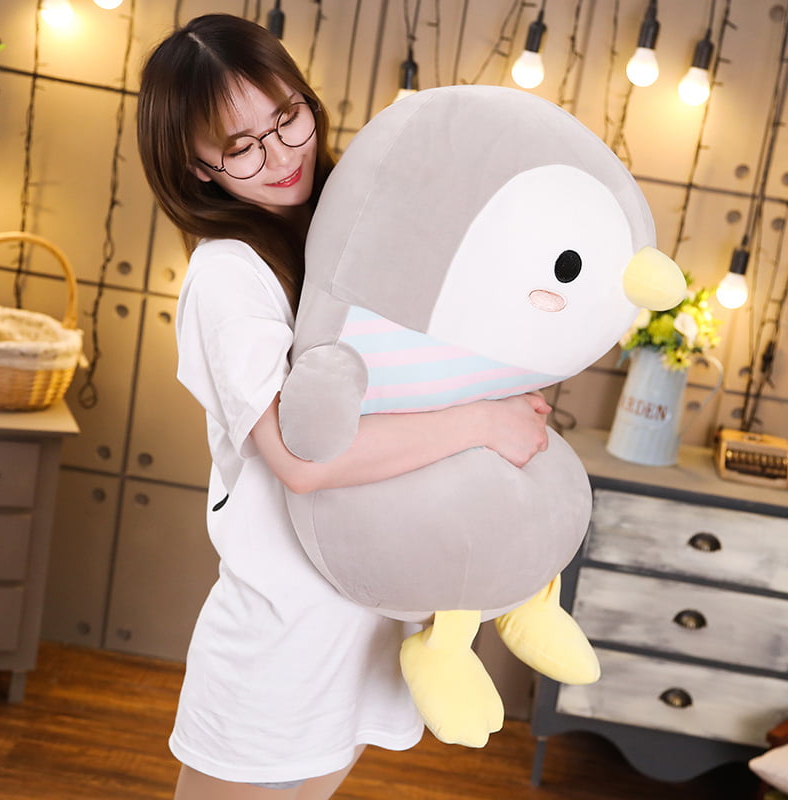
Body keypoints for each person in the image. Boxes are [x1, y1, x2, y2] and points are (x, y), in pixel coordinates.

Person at [137, 13, 551, 800]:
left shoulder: (353, 230)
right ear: (195, 167)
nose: (281, 155)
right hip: (284, 641)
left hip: (372, 624)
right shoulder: (229, 276)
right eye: (240, 146)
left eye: (287, 117)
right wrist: (480, 425)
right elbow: (300, 459)